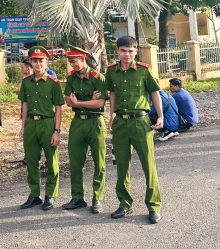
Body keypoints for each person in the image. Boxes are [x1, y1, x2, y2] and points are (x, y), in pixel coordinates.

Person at [106, 35, 163, 224]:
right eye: (123, 50)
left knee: (148, 165)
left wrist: (160, 116)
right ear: (118, 50)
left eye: (131, 51)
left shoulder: (144, 71)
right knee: (122, 165)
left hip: (140, 121)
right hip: (121, 123)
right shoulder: (111, 71)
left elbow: (155, 93)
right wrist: (111, 115)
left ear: (136, 51)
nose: (127, 54)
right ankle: (124, 203)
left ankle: (153, 206)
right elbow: (112, 93)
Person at [61, 45, 108, 213]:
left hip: (95, 123)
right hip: (77, 123)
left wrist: (79, 103)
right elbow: (68, 101)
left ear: (83, 59)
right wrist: (86, 101)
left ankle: (97, 198)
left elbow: (100, 103)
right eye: (70, 62)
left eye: (74, 61)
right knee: (75, 162)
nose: (72, 65)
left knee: (99, 162)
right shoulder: (71, 78)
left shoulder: (98, 78)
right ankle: (77, 197)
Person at [18, 46, 64, 211]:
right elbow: (24, 105)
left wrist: (57, 130)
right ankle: (34, 194)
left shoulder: (53, 83)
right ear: (30, 62)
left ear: (46, 62)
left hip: (48, 123)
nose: (38, 64)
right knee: (31, 161)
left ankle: (50, 195)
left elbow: (58, 107)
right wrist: (22, 127)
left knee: (52, 161)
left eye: (41, 61)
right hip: (31, 124)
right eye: (35, 61)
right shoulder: (26, 82)